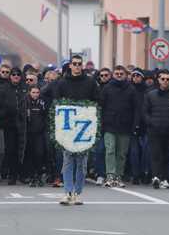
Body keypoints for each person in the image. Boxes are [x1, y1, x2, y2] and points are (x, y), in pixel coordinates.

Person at [53, 55, 100, 205]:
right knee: (67, 160)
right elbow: (57, 103)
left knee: (81, 162)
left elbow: (97, 102)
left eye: (80, 64)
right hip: (67, 127)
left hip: (84, 127)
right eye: (74, 64)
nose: (77, 66)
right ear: (70, 66)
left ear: (82, 66)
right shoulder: (62, 83)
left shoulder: (90, 82)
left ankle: (77, 193)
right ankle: (67, 192)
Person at [143, 69, 169, 189]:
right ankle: (156, 177)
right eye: (163, 79)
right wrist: (150, 122)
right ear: (159, 80)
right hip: (154, 130)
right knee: (156, 154)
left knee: (166, 155)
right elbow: (145, 112)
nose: (165, 81)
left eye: (168, 79)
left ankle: (165, 178)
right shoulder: (150, 95)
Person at [101, 65, 137, 188]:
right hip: (109, 125)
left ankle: (119, 175)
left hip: (125, 125)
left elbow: (135, 109)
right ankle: (110, 174)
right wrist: (102, 123)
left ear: (126, 75)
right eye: (117, 73)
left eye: (121, 73)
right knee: (110, 150)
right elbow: (102, 106)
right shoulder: (107, 88)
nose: (119, 75)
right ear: (113, 74)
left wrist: (134, 124)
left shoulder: (131, 89)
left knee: (122, 153)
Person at [5, 67, 27, 184]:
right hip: (10, 124)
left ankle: (22, 174)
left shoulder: (25, 88)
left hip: (24, 124)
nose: (16, 76)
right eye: (13, 74)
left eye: (18, 74)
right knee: (11, 150)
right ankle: (12, 174)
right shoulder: (5, 89)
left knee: (23, 149)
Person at [25, 85, 48, 187]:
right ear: (30, 93)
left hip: (39, 133)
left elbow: (46, 116)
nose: (35, 94)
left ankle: (39, 175)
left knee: (39, 154)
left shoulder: (42, 103)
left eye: (37, 92)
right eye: (33, 92)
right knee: (29, 155)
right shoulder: (25, 102)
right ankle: (31, 176)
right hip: (28, 133)